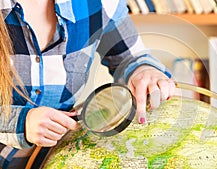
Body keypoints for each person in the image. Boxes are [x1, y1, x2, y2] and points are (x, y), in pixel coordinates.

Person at [0, 0, 175, 168]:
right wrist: (20, 122)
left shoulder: (100, 2)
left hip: (54, 160)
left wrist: (143, 71)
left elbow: (130, 57)